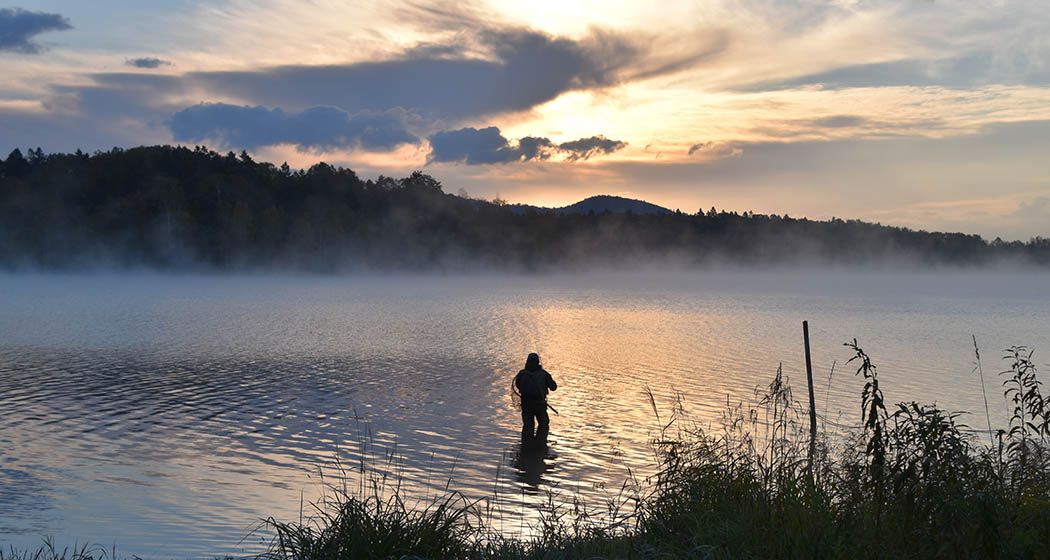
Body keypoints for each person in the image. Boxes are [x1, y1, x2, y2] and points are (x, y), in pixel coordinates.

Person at [514, 352, 557, 441]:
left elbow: (517, 385)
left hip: (526, 404)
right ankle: (539, 446)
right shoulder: (544, 374)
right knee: (543, 424)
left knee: (528, 425)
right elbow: (553, 387)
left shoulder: (521, 374)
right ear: (538, 362)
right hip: (540, 404)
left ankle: (527, 447)